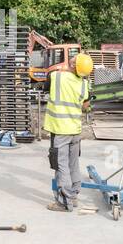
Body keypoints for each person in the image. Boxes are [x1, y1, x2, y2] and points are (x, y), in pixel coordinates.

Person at [46, 52, 94, 213]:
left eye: (74, 59)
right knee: (73, 163)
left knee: (61, 165)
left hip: (61, 129)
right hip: (75, 130)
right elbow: (86, 105)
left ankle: (64, 201)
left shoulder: (57, 77)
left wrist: (64, 68)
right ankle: (73, 196)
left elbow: (48, 79)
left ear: (74, 65)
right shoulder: (83, 84)